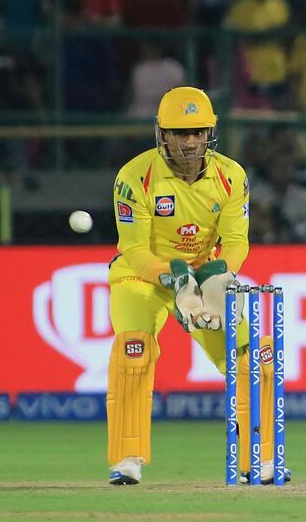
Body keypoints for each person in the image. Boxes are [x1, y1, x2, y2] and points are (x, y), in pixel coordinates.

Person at [106, 86, 290, 485]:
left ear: (210, 133)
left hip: (203, 276)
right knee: (133, 351)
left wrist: (220, 274)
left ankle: (257, 460)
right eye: (179, 132)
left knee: (249, 355)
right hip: (144, 277)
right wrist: (175, 280)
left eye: (198, 132)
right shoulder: (135, 176)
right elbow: (134, 249)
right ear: (162, 134)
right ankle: (127, 458)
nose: (189, 142)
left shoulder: (231, 176)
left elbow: (237, 240)